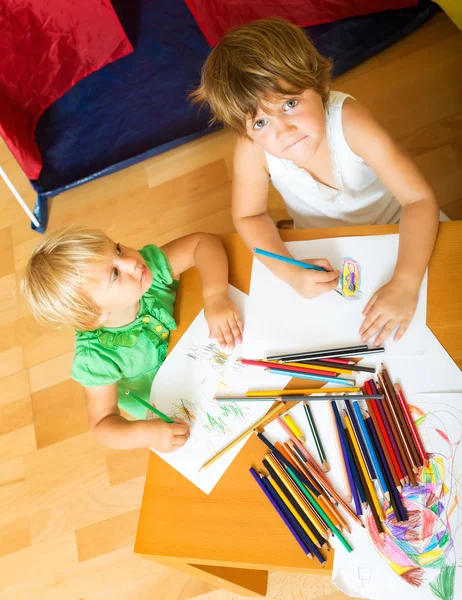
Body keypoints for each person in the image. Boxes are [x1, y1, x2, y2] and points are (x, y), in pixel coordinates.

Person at [191, 17, 440, 347]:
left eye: (290, 104)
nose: (283, 131)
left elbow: (419, 201)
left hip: (404, 233)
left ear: (318, 85)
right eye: (261, 122)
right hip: (326, 251)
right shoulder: (252, 148)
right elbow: (248, 217)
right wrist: (288, 272)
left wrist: (407, 283)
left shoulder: (350, 121)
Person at [21, 226, 243, 452]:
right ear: (95, 316)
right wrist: (145, 434)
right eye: (115, 274)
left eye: (117, 249)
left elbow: (202, 242)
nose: (131, 262)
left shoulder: (146, 270)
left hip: (216, 356)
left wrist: (215, 296)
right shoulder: (95, 357)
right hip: (181, 409)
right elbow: (102, 424)